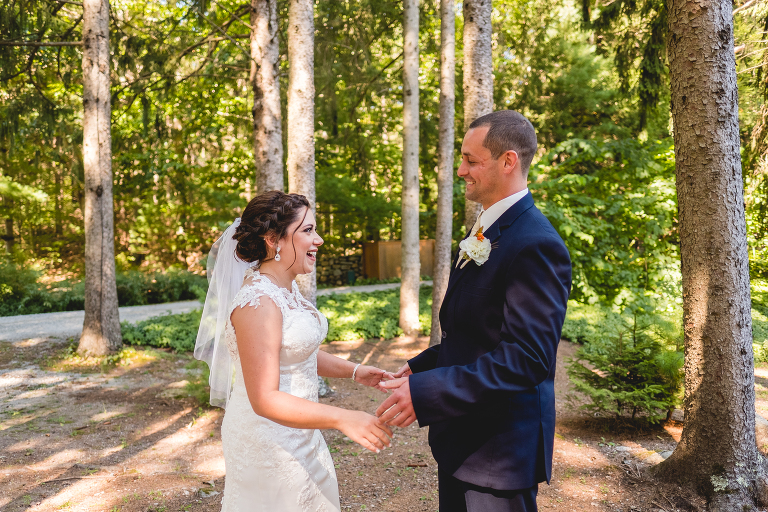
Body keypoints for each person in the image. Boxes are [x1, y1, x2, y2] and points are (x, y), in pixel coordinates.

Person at [377, 110, 572, 512]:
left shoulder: (535, 243)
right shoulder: (485, 228)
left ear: (508, 161)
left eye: (471, 160)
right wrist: (423, 365)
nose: (461, 170)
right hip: (462, 442)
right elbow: (478, 331)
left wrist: (428, 392)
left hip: (498, 454)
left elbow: (526, 358)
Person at [194, 191, 393, 512]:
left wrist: (355, 371)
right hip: (269, 441)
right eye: (308, 230)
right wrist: (343, 418)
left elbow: (294, 352)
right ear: (274, 240)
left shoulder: (284, 289)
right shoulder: (259, 303)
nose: (319, 240)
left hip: (301, 430)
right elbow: (264, 399)